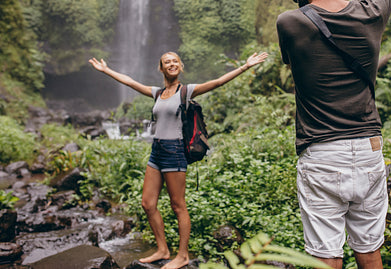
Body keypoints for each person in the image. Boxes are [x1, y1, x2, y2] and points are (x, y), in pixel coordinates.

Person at [89, 51, 268, 269]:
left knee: (178, 205)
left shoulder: (186, 91)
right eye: (167, 62)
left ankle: (182, 255)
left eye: (175, 61)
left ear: (180, 66)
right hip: (156, 150)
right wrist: (106, 70)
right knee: (148, 203)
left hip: (175, 150)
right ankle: (162, 249)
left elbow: (218, 82)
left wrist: (245, 66)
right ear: (161, 68)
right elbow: (131, 82)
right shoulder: (157, 93)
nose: (172, 64)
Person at [276, 0, 391, 269]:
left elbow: (293, 62)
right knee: (369, 250)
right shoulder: (371, 13)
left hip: (322, 153)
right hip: (369, 148)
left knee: (326, 256)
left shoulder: (290, 22)